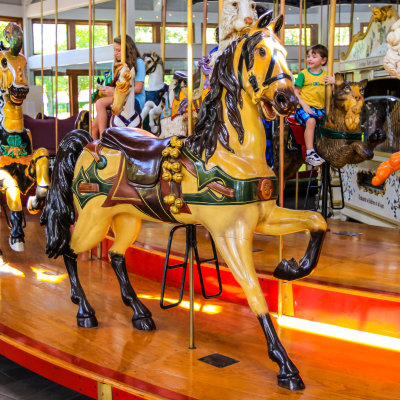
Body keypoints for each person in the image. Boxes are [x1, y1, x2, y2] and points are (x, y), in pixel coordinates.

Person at [92, 34, 145, 139]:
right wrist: (105, 90)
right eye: (114, 50)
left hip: (133, 99)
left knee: (100, 103)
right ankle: (96, 149)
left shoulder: (139, 62)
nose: (115, 53)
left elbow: (138, 88)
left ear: (127, 50)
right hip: (118, 97)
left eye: (119, 50)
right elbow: (115, 84)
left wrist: (115, 91)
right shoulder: (116, 64)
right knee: (94, 126)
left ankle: (104, 138)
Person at [294, 44, 335, 166]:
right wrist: (304, 106)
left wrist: (334, 83)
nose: (310, 59)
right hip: (304, 107)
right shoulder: (303, 74)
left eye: (314, 56)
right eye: (308, 56)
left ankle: (328, 148)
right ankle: (310, 153)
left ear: (323, 60)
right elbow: (295, 92)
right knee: (311, 121)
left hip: (320, 109)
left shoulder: (327, 76)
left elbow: (335, 93)